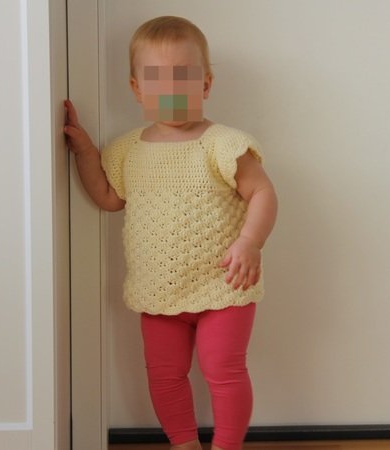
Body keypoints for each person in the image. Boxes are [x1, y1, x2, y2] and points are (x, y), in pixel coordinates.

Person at [63, 15, 277, 450]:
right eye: (157, 79)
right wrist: (85, 151)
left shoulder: (222, 143)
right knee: (163, 374)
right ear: (136, 88)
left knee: (224, 370)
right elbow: (108, 197)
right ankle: (183, 443)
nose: (171, 89)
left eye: (183, 77)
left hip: (224, 284)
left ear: (206, 84)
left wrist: (250, 242)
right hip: (159, 291)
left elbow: (262, 192)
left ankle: (227, 446)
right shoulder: (128, 149)